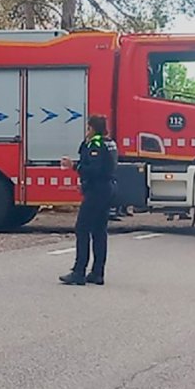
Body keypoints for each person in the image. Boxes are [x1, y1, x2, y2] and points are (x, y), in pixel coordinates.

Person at [59, 115, 117, 286]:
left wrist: (74, 166)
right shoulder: (109, 142)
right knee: (99, 231)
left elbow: (94, 169)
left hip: (98, 190)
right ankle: (98, 272)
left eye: (88, 128)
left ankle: (79, 272)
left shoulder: (96, 144)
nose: (86, 132)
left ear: (92, 129)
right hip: (107, 189)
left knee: (82, 228)